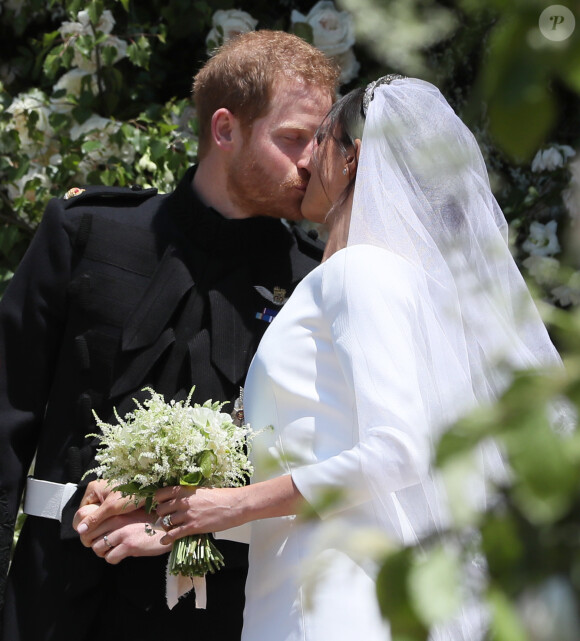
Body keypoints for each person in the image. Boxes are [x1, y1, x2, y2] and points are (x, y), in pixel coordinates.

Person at [138, 76, 565, 640]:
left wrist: (235, 503)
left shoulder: (360, 271)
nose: (304, 162)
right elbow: (334, 480)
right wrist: (177, 511)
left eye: (318, 140)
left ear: (352, 157)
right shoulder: (379, 277)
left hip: (335, 605)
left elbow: (399, 452)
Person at [0, 30, 338, 641]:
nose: (311, 160)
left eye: (319, 140)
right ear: (226, 129)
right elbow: (6, 413)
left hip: (225, 607)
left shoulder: (313, 282)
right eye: (291, 139)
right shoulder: (87, 234)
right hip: (54, 598)